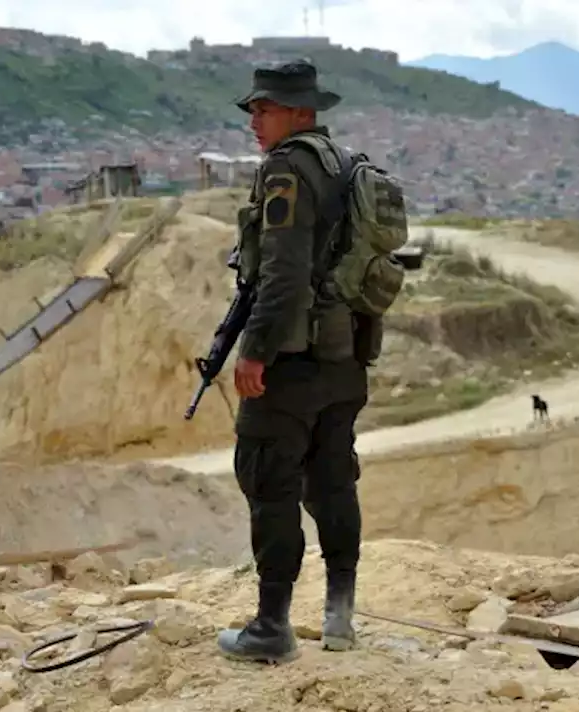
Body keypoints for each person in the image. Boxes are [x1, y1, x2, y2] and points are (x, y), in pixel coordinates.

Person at [215, 59, 370, 665]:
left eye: (267, 108)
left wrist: (253, 352)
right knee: (333, 479)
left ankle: (271, 628)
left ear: (303, 112)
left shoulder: (285, 171)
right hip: (346, 356)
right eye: (253, 108)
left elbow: (282, 274)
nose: (255, 120)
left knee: (268, 479)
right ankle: (339, 617)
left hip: (294, 361)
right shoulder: (343, 164)